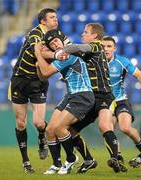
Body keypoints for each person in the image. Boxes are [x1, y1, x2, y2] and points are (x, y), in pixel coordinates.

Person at [8, 8, 70, 173]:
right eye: (52, 17)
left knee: (38, 122)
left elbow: (70, 49)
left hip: (38, 81)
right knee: (21, 123)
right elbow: (40, 50)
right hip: (20, 80)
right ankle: (26, 162)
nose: (56, 19)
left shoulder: (59, 35)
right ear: (43, 21)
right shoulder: (35, 33)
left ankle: (42, 138)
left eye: (56, 16)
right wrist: (59, 55)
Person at [56, 23, 124, 173]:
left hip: (105, 95)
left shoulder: (96, 46)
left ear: (94, 36)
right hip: (90, 97)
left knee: (104, 125)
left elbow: (77, 48)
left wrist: (59, 51)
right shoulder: (89, 52)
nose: (82, 34)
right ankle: (88, 160)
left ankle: (115, 158)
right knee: (70, 130)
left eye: (85, 32)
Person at [35, 29, 95, 175]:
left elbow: (47, 72)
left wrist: (38, 53)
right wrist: (38, 66)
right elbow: (42, 77)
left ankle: (71, 158)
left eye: (56, 40)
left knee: (61, 128)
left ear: (61, 40)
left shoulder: (66, 54)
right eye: (51, 43)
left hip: (82, 95)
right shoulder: (60, 56)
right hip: (71, 95)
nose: (55, 44)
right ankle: (56, 164)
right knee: (50, 130)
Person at [102, 36, 141, 168]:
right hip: (106, 102)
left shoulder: (121, 61)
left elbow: (139, 74)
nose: (106, 49)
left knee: (125, 127)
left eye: (109, 46)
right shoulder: (96, 63)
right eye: (103, 46)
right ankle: (117, 157)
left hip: (121, 100)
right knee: (107, 128)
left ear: (114, 48)